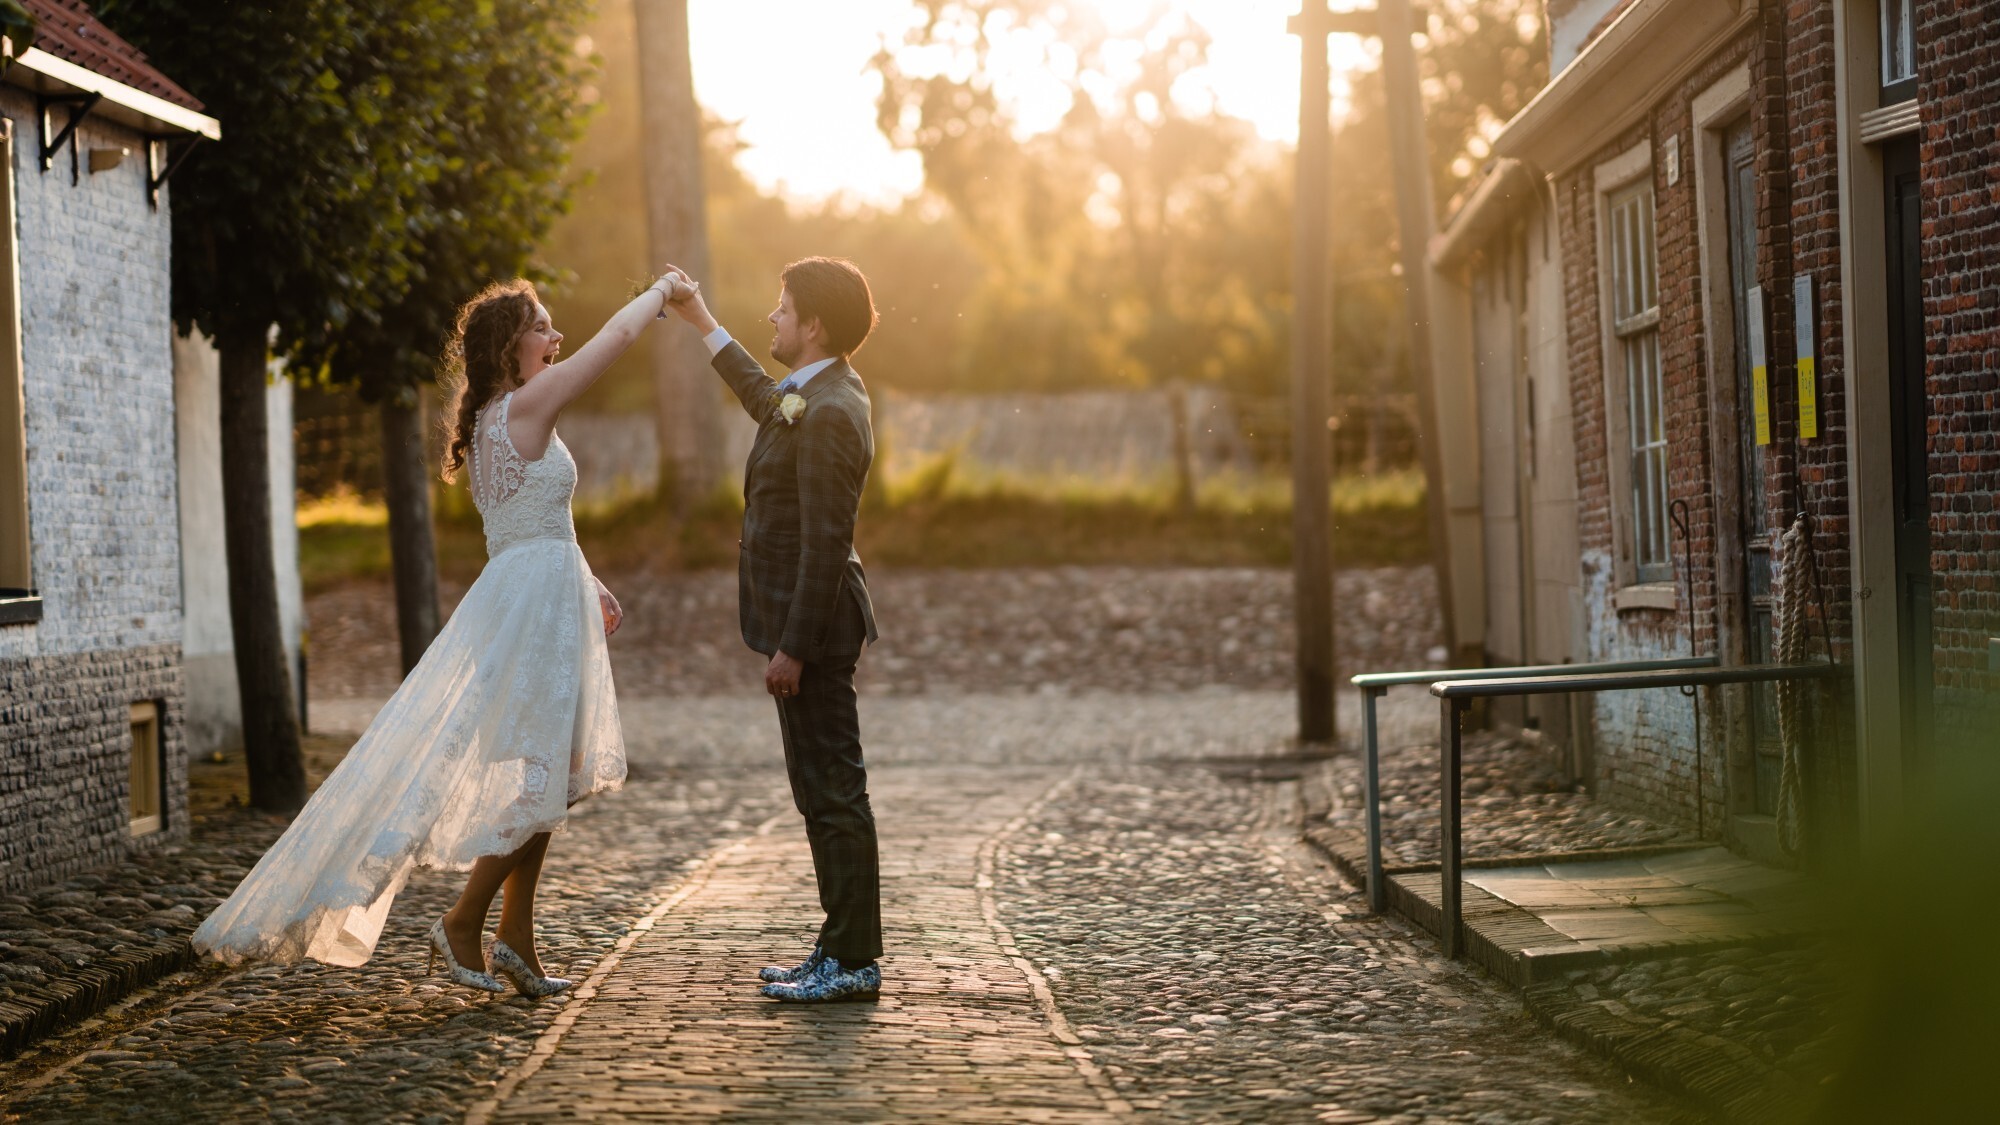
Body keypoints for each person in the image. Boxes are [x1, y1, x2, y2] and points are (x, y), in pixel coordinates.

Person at [192, 273, 690, 996]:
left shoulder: (493, 418)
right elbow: (613, 343)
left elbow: (533, 523)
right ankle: (463, 920)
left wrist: (590, 581)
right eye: (543, 329)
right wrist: (659, 293)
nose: (556, 340)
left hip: (541, 596)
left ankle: (514, 937)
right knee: (547, 778)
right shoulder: (524, 405)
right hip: (530, 611)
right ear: (509, 346)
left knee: (555, 772)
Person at [661, 257, 884, 1003]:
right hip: (802, 625)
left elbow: (825, 542)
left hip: (814, 631)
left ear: (813, 323)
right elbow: (764, 396)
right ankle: (838, 942)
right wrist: (700, 320)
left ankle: (853, 960)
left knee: (834, 793)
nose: (773, 317)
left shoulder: (829, 412)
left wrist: (792, 646)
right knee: (819, 792)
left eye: (781, 307)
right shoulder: (811, 395)